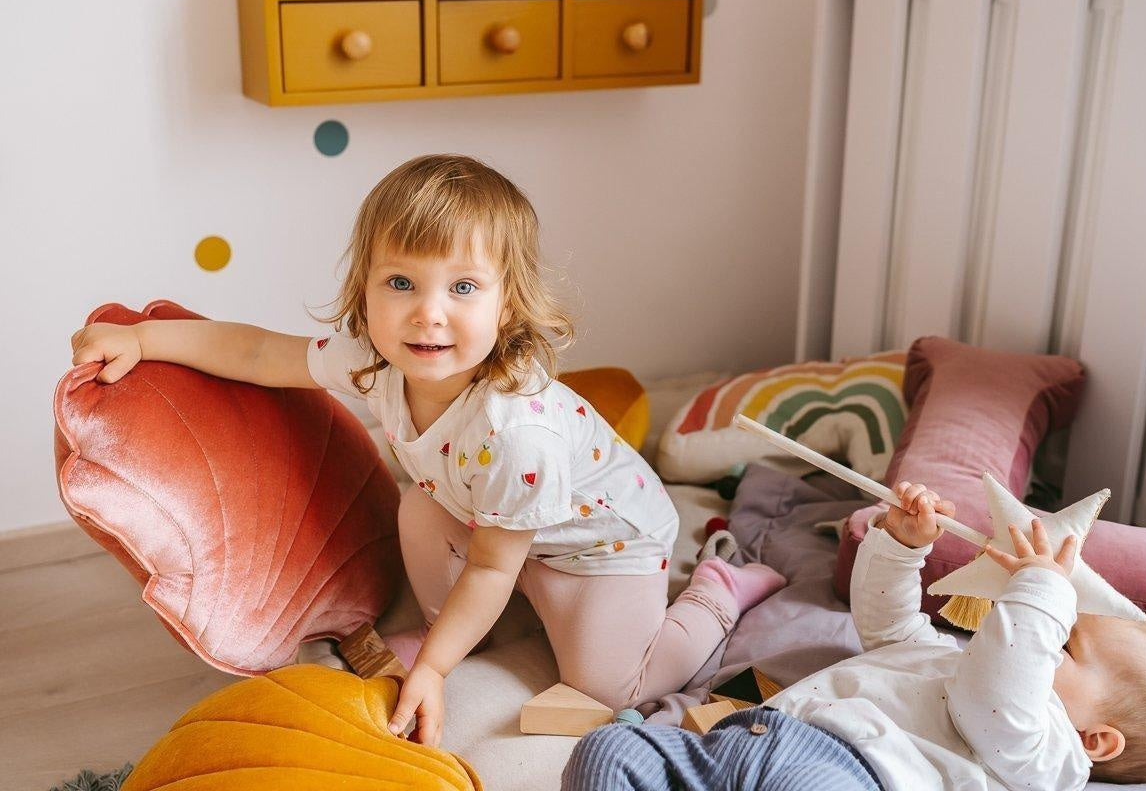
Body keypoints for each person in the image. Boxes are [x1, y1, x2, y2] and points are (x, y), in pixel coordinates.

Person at [70, 154, 786, 747]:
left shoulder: (515, 433)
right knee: (414, 507)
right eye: (401, 282)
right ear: (367, 290)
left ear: (506, 306)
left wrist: (435, 671)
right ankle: (455, 637)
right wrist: (143, 340)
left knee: (608, 684)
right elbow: (256, 350)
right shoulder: (375, 359)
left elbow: (491, 568)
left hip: (599, 544)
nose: (428, 312)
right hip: (485, 518)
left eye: (463, 287)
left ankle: (720, 594)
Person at [562, 481, 1146, 790]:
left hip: (848, 775)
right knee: (605, 754)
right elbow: (889, 625)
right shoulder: (948, 659)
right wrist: (900, 547)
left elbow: (999, 693)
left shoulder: (1046, 755)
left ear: (1097, 739)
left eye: (1060, 642)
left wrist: (1045, 593)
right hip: (749, 738)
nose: (1033, 631)